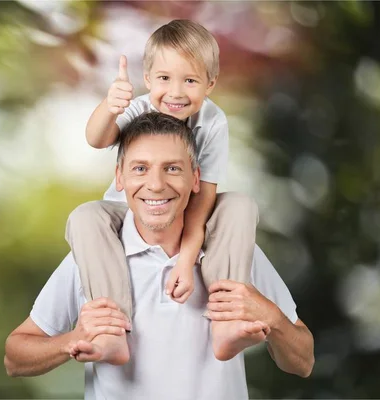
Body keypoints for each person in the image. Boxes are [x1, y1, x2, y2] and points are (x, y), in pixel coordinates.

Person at [4, 112, 314, 399]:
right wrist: (73, 339)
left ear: (195, 179)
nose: (155, 184)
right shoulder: (90, 255)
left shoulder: (235, 250)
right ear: (120, 178)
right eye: (140, 168)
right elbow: (14, 356)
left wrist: (272, 318)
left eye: (172, 169)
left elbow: (304, 361)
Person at [66, 19, 258, 362]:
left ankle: (227, 322)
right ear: (149, 79)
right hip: (133, 211)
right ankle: (111, 332)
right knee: (86, 216)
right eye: (165, 79)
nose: (176, 92)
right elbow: (97, 139)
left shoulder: (212, 122)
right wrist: (111, 107)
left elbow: (204, 200)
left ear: (210, 84)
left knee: (239, 205)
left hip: (184, 212)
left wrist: (186, 260)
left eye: (190, 80)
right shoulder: (139, 107)